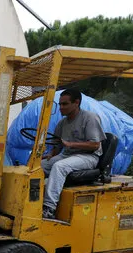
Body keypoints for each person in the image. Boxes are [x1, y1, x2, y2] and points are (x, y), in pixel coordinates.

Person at [41, 89, 106, 219]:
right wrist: (51, 155)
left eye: (65, 104)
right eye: (59, 104)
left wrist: (71, 145)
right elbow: (57, 144)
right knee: (39, 166)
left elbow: (95, 145)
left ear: (76, 103)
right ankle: (30, 199)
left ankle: (49, 208)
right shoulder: (62, 123)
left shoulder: (89, 118)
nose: (61, 107)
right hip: (67, 156)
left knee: (60, 166)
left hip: (88, 156)